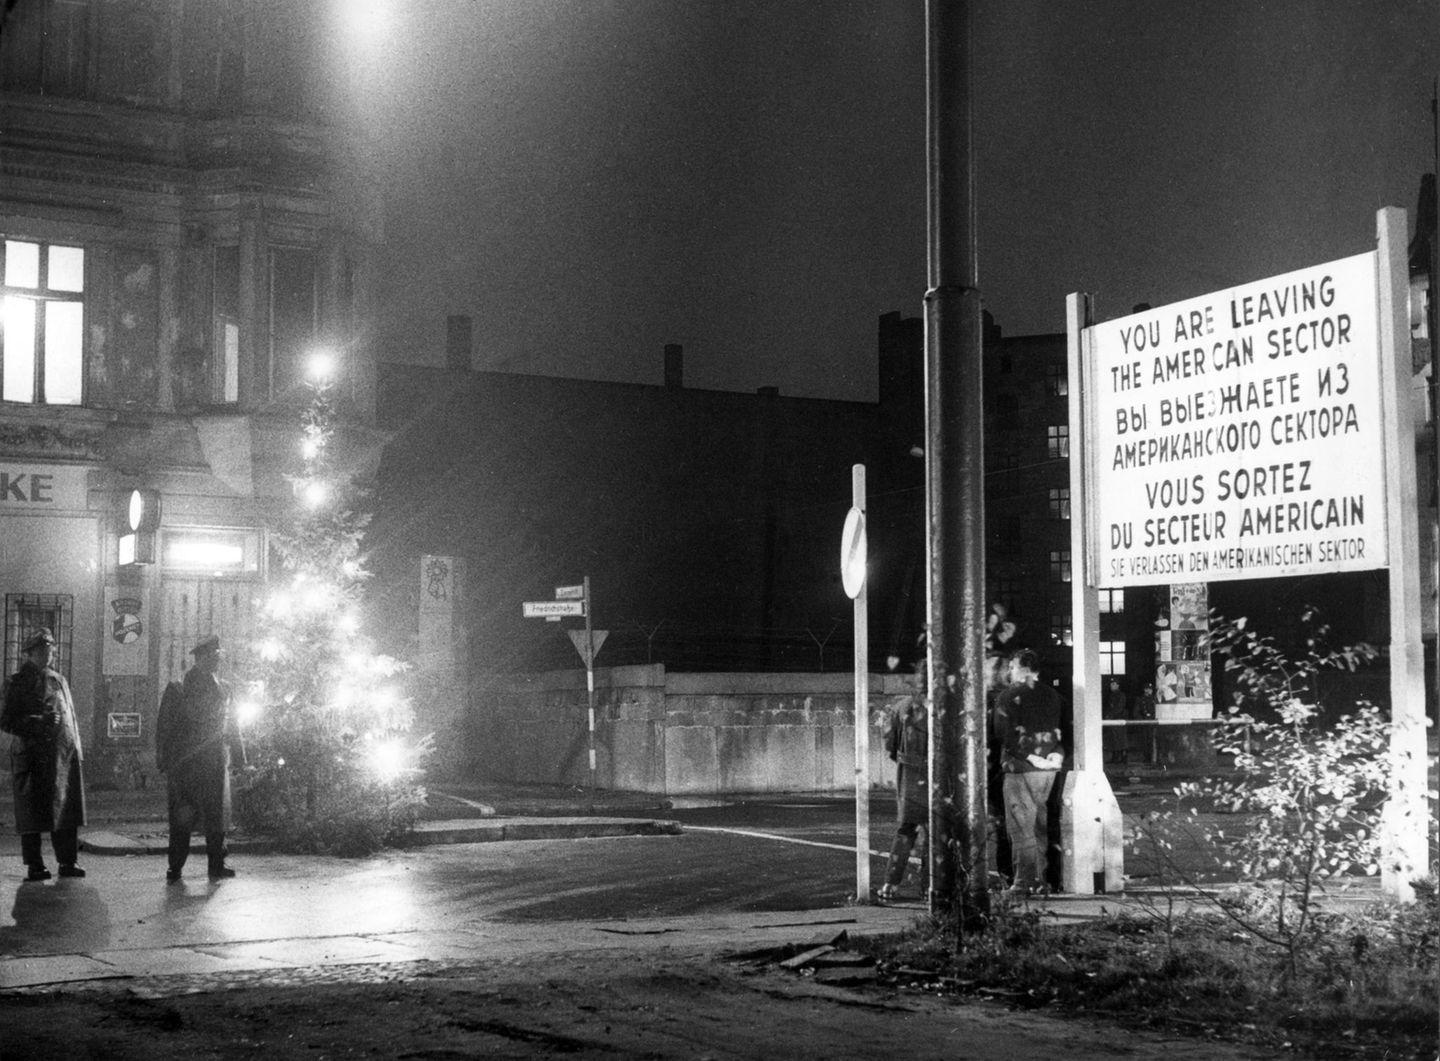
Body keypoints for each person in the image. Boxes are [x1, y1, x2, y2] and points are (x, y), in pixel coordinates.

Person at [0, 629, 87, 882]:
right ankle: (35, 864)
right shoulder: (15, 682)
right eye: (43, 650)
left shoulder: (58, 679)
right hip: (33, 757)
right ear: (30, 653)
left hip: (62, 755)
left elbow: (70, 714)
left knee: (66, 810)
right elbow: (6, 720)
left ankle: (68, 860)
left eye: (50, 649)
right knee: (32, 813)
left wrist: (76, 749)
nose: (49, 654)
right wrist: (37, 721)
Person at [157, 634, 245, 882]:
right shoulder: (179, 688)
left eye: (219, 656)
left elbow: (233, 725)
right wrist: (164, 760)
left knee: (217, 817)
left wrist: (239, 758)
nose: (218, 661)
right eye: (213, 656)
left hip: (215, 763)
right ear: (201, 658)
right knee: (183, 817)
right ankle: (175, 866)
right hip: (186, 766)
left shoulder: (225, 688)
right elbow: (165, 726)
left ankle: (217, 863)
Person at [992, 649, 1064, 894]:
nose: (1009, 672)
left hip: (1020, 769)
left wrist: (1031, 757)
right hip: (1048, 770)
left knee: (1021, 830)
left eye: (1011, 667)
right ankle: (1042, 882)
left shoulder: (1008, 696)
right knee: (1040, 828)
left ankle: (1023, 883)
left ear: (1020, 667)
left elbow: (1004, 735)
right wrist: (1054, 756)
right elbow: (1060, 731)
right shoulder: (1053, 695)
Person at [878, 668, 928, 901]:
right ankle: (931, 886)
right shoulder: (944, 708)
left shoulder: (901, 707)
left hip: (909, 776)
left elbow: (890, 745)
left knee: (905, 831)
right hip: (936, 778)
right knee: (935, 833)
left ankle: (890, 883)